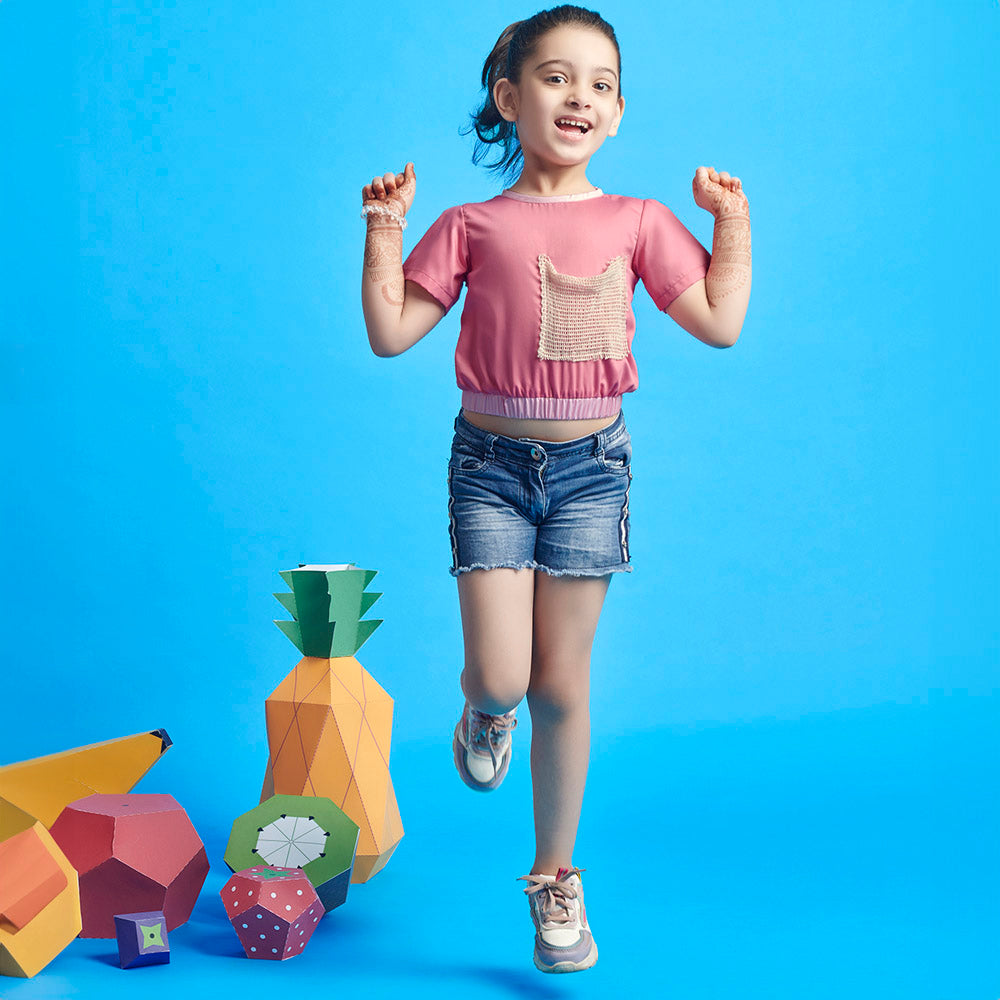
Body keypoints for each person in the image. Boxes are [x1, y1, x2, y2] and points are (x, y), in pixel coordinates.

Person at [360, 4, 751, 974]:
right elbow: (391, 330)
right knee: (504, 676)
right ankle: (480, 709)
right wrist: (382, 232)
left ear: (616, 115)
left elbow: (718, 318)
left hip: (590, 471)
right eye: (556, 76)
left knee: (563, 684)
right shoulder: (471, 223)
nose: (581, 95)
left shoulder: (638, 222)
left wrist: (730, 223)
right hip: (489, 467)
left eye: (601, 83)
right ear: (509, 96)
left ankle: (553, 880)